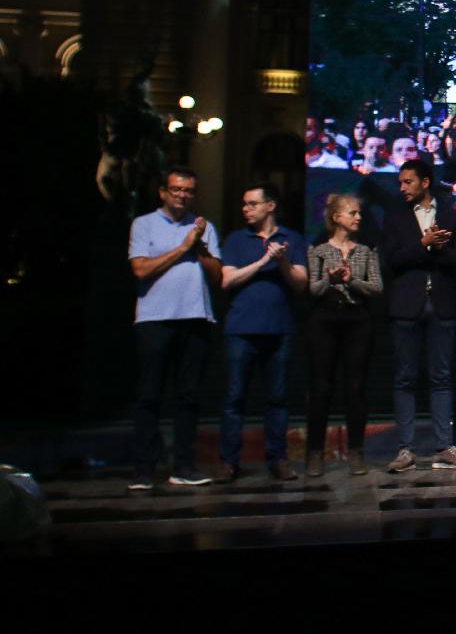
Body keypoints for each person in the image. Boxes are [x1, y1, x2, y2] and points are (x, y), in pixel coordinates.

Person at [126, 167, 223, 490]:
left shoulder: (204, 227)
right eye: (177, 189)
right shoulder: (144, 224)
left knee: (188, 396)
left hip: (195, 317)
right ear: (163, 192)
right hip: (154, 319)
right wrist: (183, 247)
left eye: (189, 191)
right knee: (149, 394)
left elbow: (216, 276)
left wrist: (200, 247)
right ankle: (144, 468)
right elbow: (140, 269)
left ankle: (183, 466)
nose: (182, 195)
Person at [382, 159, 456, 472]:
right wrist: (423, 243)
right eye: (400, 183)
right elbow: (392, 260)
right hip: (407, 305)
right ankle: (404, 448)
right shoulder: (395, 218)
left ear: (425, 182)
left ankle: (445, 445)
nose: (402, 188)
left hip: (443, 305)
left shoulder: (452, 216)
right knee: (405, 377)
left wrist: (440, 248)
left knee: (442, 376)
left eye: (408, 181)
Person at [216, 183, 308, 483]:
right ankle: (228, 462)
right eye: (244, 204)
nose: (246, 209)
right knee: (234, 398)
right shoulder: (236, 239)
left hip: (279, 329)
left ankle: (277, 459)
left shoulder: (291, 239)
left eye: (252, 204)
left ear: (270, 206)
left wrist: (281, 261)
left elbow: (301, 284)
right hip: (241, 329)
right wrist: (263, 261)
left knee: (277, 399)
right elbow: (227, 280)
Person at [306, 193, 382, 477]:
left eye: (359, 213)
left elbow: (376, 288)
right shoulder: (318, 250)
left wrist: (352, 280)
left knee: (356, 387)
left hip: (357, 319)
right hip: (325, 318)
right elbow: (313, 289)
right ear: (336, 217)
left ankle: (356, 451)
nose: (358, 217)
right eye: (352, 213)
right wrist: (330, 279)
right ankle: (315, 453)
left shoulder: (366, 250)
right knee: (321, 388)